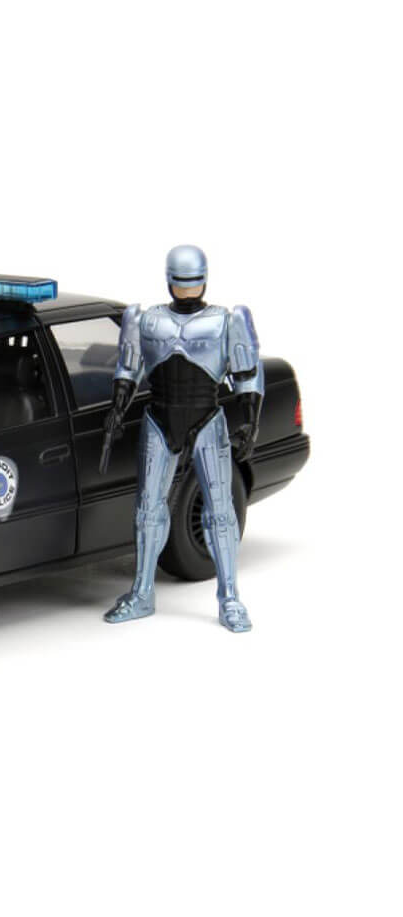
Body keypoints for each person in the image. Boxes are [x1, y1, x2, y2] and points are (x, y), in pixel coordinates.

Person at [100, 245, 263, 632]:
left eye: (192, 283)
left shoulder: (226, 320)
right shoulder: (145, 320)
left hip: (207, 418)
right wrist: (117, 409)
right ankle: (142, 592)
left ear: (203, 280)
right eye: (182, 283)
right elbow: (128, 368)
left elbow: (247, 373)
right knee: (147, 511)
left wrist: (250, 421)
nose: (187, 290)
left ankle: (229, 598)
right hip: (159, 418)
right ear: (170, 281)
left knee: (220, 511)